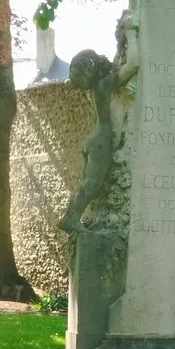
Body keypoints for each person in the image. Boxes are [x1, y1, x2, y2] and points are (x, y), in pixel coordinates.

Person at [58, 12, 139, 233]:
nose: (103, 56)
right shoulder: (104, 85)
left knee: (88, 184)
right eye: (96, 56)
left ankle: (75, 216)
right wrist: (131, 34)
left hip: (94, 139)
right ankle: (70, 217)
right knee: (92, 184)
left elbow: (116, 62)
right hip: (102, 139)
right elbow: (132, 65)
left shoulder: (97, 85)